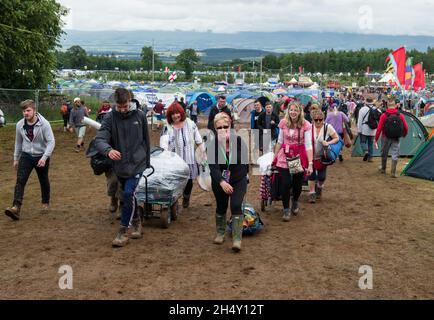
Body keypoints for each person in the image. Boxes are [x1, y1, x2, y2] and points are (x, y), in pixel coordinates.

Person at [95, 88, 151, 247]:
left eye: (125, 106)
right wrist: (108, 150)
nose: (123, 110)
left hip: (137, 163)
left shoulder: (139, 115)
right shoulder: (110, 117)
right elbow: (100, 139)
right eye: (119, 107)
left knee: (127, 193)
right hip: (119, 164)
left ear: (130, 101)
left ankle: (122, 232)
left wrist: (146, 162)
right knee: (128, 195)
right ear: (115, 104)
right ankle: (138, 222)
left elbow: (146, 140)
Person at [4, 100, 55, 220]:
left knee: (43, 180)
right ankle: (16, 207)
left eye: (28, 110)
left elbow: (51, 142)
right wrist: (16, 158)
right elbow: (18, 143)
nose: (25, 113)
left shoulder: (44, 124)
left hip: (41, 156)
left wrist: (44, 157)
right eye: (23, 111)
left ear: (34, 111)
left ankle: (45, 202)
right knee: (20, 181)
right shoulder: (20, 125)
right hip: (26, 156)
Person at [208, 112, 249, 252]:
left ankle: (237, 238)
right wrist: (222, 182)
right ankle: (220, 232)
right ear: (215, 129)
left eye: (225, 126)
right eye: (219, 127)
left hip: (238, 179)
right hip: (220, 181)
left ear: (230, 126)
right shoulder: (212, 145)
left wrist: (239, 179)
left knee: (236, 205)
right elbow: (212, 168)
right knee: (221, 206)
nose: (223, 129)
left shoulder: (238, 141)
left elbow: (245, 164)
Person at [160, 101, 205, 208]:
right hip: (174, 161)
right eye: (172, 114)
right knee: (174, 182)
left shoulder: (190, 124)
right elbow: (164, 145)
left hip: (189, 159)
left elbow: (198, 141)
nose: (175, 116)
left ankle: (186, 197)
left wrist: (203, 153)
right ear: (170, 116)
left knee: (188, 182)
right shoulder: (167, 128)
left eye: (177, 113)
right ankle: (174, 201)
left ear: (181, 112)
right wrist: (164, 157)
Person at [273, 102, 313, 221]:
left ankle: (295, 200)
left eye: (296, 110)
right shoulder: (283, 123)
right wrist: (274, 157)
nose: (293, 112)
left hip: (298, 156)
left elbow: (309, 145)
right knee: (285, 182)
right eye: (291, 110)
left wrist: (310, 163)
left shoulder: (305, 124)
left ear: (300, 111)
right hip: (284, 155)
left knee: (297, 183)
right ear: (288, 111)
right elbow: (279, 141)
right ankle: (286, 209)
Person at [308, 109, 339, 203]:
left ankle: (319, 187)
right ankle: (312, 193)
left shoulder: (327, 127)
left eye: (320, 119)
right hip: (310, 156)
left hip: (322, 156)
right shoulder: (309, 127)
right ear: (312, 119)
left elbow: (336, 138)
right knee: (311, 175)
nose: (318, 122)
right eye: (316, 119)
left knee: (322, 177)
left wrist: (328, 143)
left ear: (323, 119)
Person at [374, 101, 408, 178]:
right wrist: (404, 134)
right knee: (395, 153)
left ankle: (383, 168)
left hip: (385, 137)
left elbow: (379, 128)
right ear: (395, 106)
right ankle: (393, 172)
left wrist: (376, 139)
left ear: (387, 106)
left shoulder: (384, 115)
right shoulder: (400, 115)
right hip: (396, 137)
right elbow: (406, 127)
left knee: (384, 153)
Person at [357, 97, 380, 162]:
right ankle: (370, 158)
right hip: (373, 129)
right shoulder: (376, 109)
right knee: (370, 144)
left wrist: (359, 130)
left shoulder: (362, 109)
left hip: (364, 128)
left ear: (366, 102)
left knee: (362, 142)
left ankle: (366, 151)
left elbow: (359, 120)